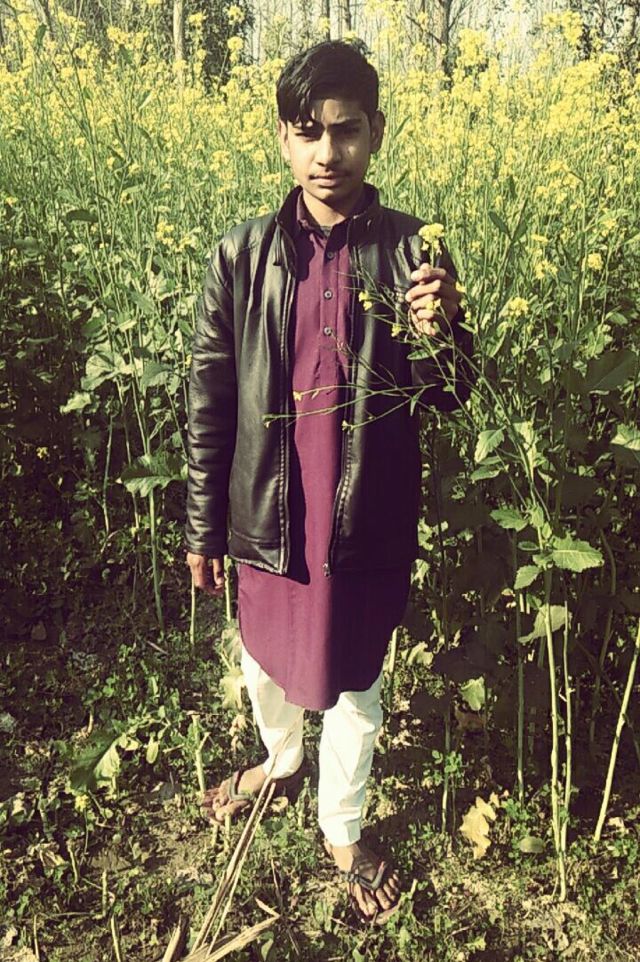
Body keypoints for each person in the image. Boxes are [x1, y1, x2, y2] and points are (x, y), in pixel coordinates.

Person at [185, 39, 474, 924]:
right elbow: (209, 401)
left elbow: (449, 393)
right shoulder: (241, 256)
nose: (327, 154)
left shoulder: (413, 250)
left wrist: (446, 330)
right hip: (266, 512)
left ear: (376, 133)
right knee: (263, 662)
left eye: (346, 132)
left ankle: (342, 826)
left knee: (357, 681)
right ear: (282, 137)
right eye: (308, 132)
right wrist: (202, 526)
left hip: (363, 520)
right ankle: (279, 761)